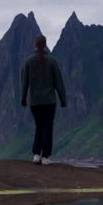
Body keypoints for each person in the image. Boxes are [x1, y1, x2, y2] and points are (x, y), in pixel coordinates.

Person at [20, 33, 67, 165]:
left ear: (35, 45)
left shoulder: (28, 62)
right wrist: (63, 100)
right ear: (45, 45)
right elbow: (59, 82)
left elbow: (25, 83)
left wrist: (23, 98)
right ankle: (46, 157)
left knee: (39, 126)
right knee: (48, 127)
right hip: (49, 101)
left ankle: (36, 154)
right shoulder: (52, 61)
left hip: (35, 102)